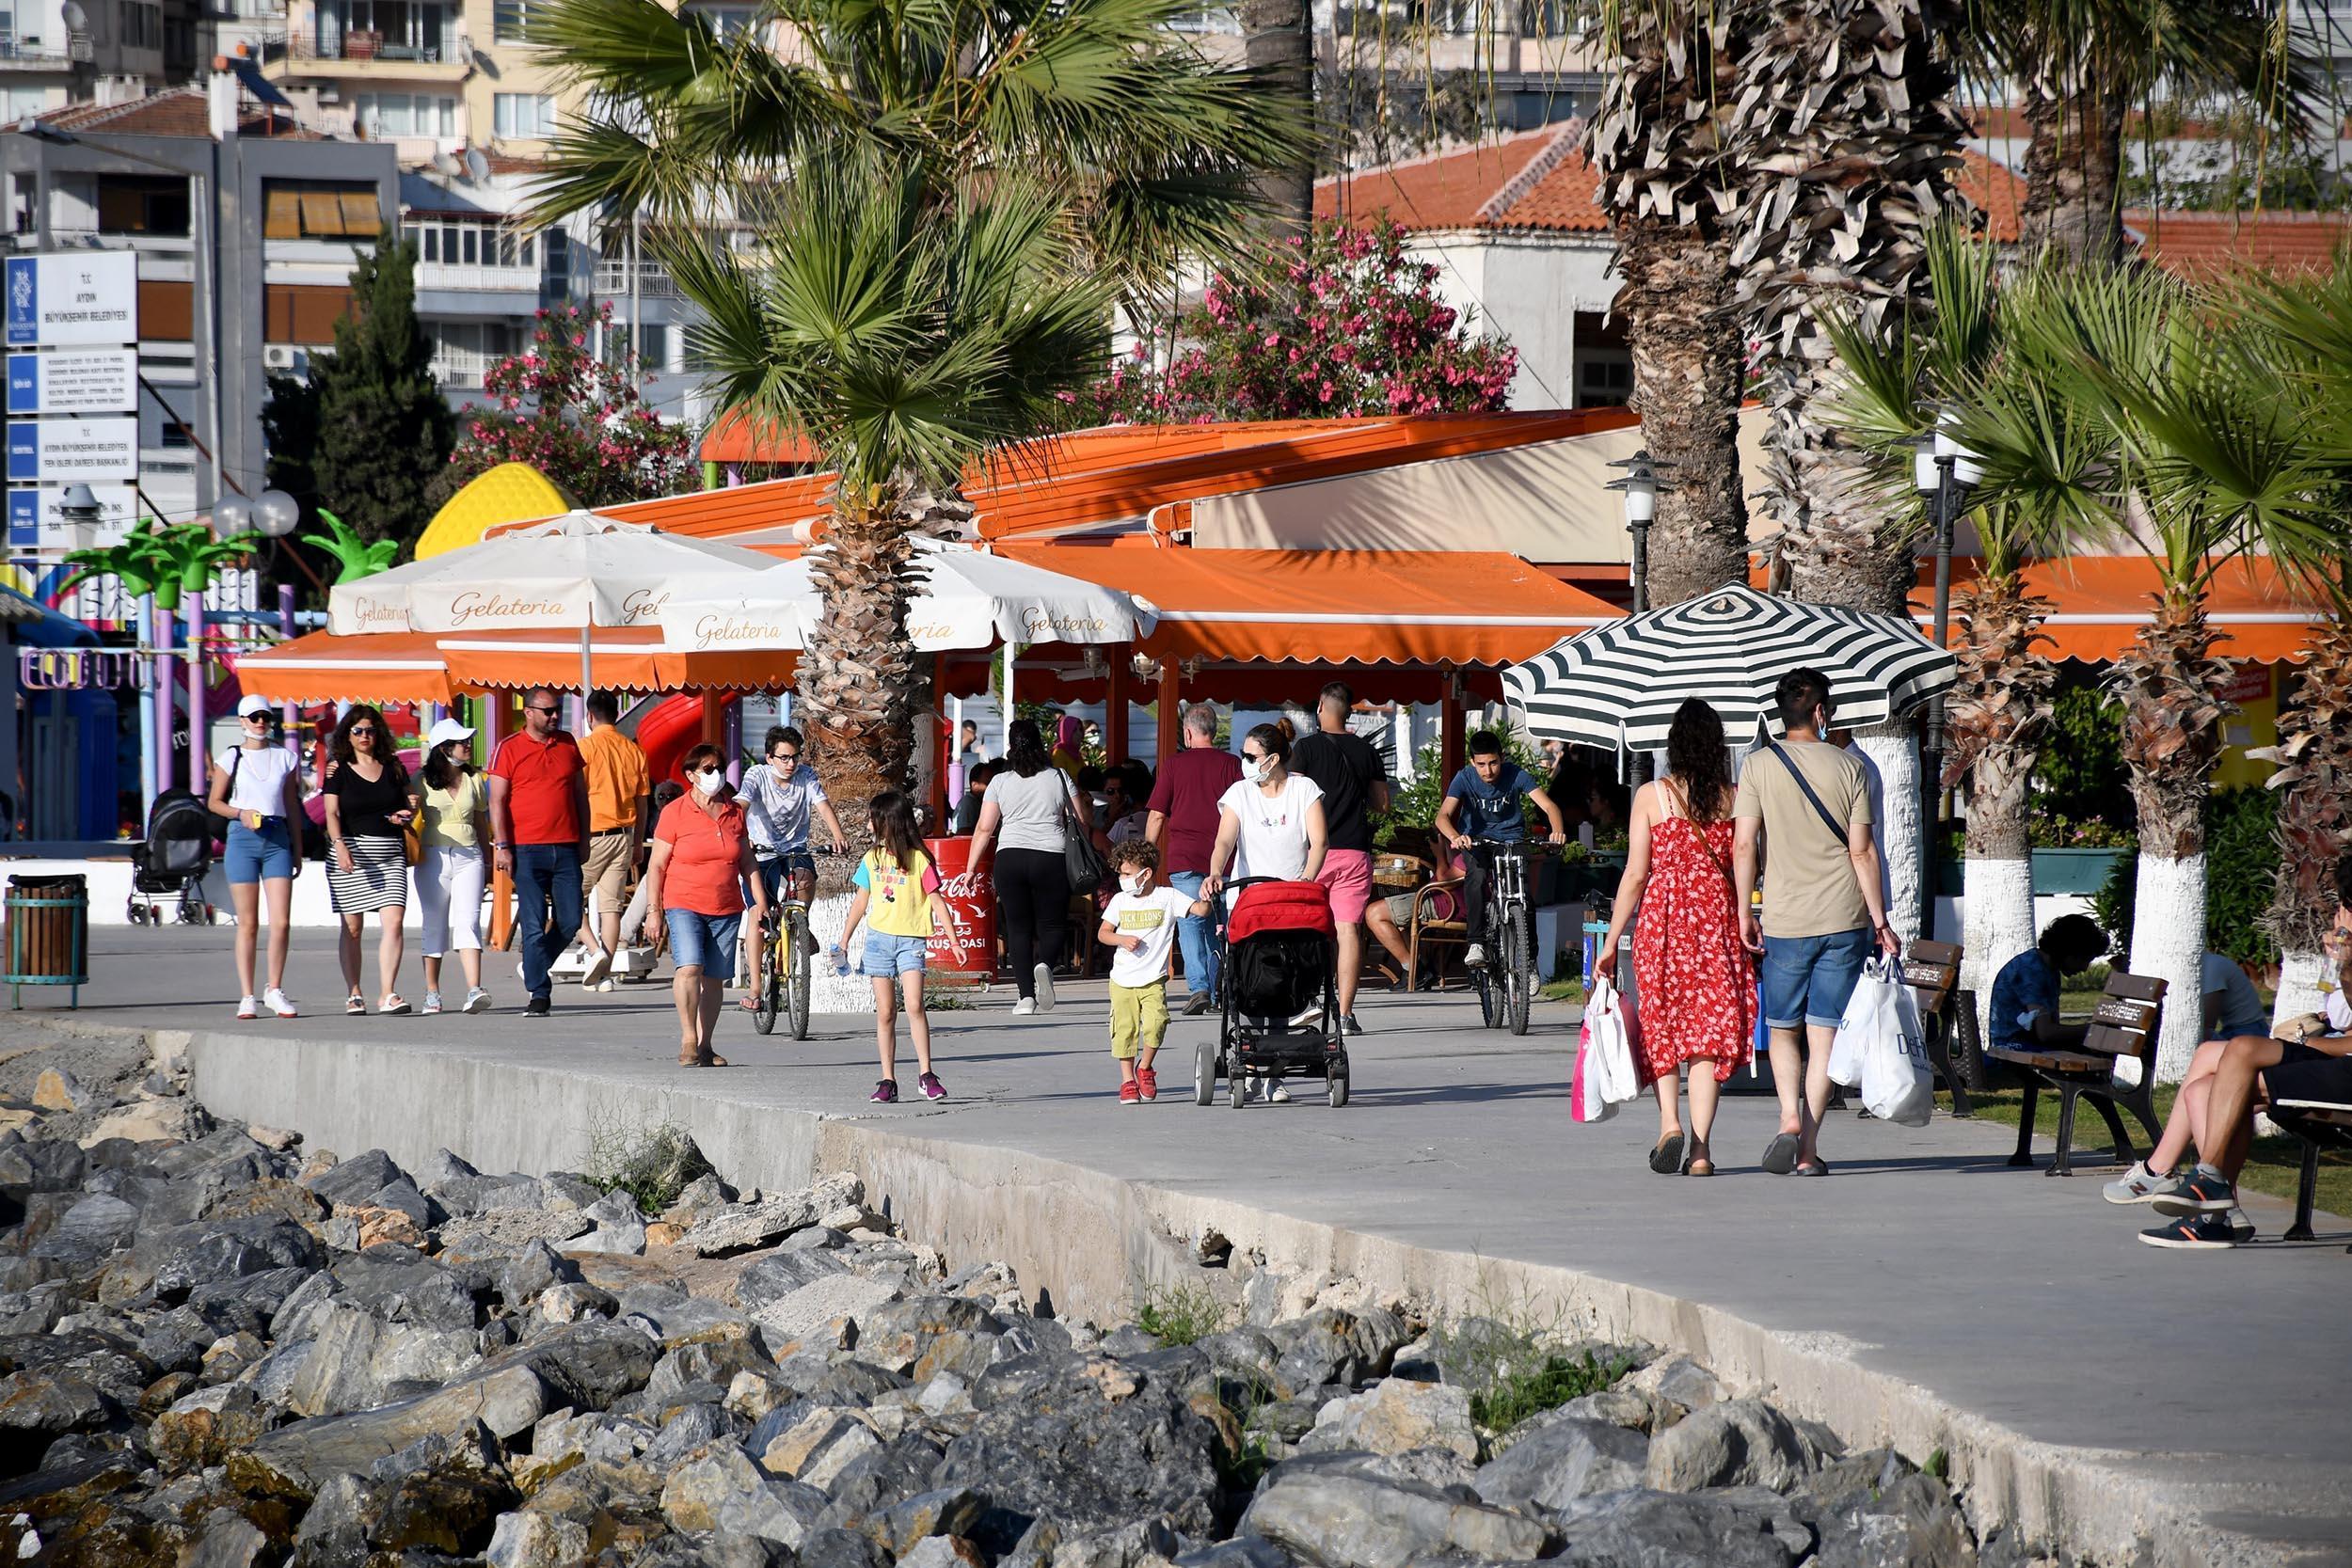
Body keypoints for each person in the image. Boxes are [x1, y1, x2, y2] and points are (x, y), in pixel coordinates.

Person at [1733, 668, 1899, 1177]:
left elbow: (1744, 845)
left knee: (1783, 1029)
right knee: (1823, 1034)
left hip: (1785, 919)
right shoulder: (1850, 768)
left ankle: (1787, 1118)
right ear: (1822, 713)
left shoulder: (1757, 765)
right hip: (1845, 919)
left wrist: (1744, 911)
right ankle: (1807, 1149)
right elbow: (1863, 851)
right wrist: (1881, 922)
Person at [2137, 856, 2352, 1249]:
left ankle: (2212, 1201)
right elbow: (2339, 1012)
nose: (2341, 915)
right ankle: (2213, 1193)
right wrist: (2338, 963)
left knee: (2219, 1078)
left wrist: (2344, 967)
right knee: (2225, 1063)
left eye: (2345, 905)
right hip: (2336, 1059)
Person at [1599, 699, 1756, 1179]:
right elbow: (1750, 856)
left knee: (1663, 1026)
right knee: (1708, 1038)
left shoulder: (1653, 795)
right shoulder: (1735, 797)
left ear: (1674, 745)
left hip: (1662, 923)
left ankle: (1669, 1123)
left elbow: (1634, 875)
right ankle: (1702, 1149)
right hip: (1717, 923)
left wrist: (1610, 941)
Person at [2106, 948, 2308, 1215]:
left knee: (2208, 1057)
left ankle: (2167, 1173)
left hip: (2248, 1037)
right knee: (2199, 1089)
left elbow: (2206, 1022)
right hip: (2255, 1044)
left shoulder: (2210, 968)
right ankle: (2221, 1204)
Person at [1205, 724, 1330, 1093]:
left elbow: (1319, 842)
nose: (1244, 763)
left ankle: (1274, 1073)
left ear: (1273, 759)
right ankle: (1252, 1060)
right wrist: (1215, 871)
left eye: (1250, 756)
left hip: (1292, 901)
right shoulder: (1240, 793)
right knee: (1252, 979)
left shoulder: (1303, 789)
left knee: (1287, 977)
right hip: (1250, 902)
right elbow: (1225, 839)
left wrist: (1306, 882)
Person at [1289, 682, 1410, 1035]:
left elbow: (1295, 798)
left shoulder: (1307, 748)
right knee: (1348, 932)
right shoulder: (1365, 751)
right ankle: (1344, 1014)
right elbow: (1382, 804)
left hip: (1316, 852)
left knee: (1308, 927)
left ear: (1322, 708)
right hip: (1355, 852)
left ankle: (1310, 999)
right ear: (1349, 711)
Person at [644, 742, 769, 1068]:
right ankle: (688, 1038)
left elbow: (746, 861)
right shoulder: (674, 813)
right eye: (708, 769)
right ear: (691, 775)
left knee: (714, 977)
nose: (715, 775)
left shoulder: (733, 812)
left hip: (726, 906)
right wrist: (653, 911)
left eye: (719, 769)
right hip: (683, 901)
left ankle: (705, 1044)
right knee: (689, 967)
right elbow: (656, 865)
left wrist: (760, 901)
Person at [968, 718, 1093, 1014]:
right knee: (1052, 924)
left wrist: (971, 867)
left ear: (1012, 746)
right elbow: (1082, 819)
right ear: (1040, 744)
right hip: (1050, 855)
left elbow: (985, 829)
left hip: (1010, 857)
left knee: (1017, 929)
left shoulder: (999, 782)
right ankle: (1045, 964)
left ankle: (1025, 998)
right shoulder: (1058, 777)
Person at [835, 791, 948, 1103]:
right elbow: (861, 901)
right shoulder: (871, 859)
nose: (869, 823)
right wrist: (845, 938)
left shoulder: (919, 859)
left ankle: (927, 1075)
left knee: (914, 1005)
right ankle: (888, 1081)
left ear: (889, 822)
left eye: (874, 817)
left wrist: (952, 940)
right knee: (885, 1012)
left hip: (910, 941)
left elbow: (937, 901)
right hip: (878, 942)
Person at [487, 686, 592, 1019]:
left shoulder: (567, 744)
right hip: (526, 849)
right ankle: (539, 992)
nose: (554, 716)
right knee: (533, 923)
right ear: (528, 712)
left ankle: (534, 964)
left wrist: (585, 838)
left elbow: (579, 795)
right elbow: (496, 801)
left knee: (571, 919)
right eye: (547, 711)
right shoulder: (508, 748)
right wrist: (502, 846)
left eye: (557, 709)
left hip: (565, 846)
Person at [1435, 730, 1567, 970]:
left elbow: (1549, 806)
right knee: (1475, 878)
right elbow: (1442, 816)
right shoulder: (1464, 778)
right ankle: (1476, 943)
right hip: (1476, 841)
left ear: (1502, 757)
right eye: (1482, 764)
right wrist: (1457, 837)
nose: (1488, 771)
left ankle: (1529, 960)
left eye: (1493, 762)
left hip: (1511, 840)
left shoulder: (1516, 774)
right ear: (1472, 762)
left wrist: (1556, 831)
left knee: (1524, 896)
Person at [206, 693, 304, 1020]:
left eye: (265, 716)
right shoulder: (230, 757)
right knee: (248, 923)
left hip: (277, 837)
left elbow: (292, 805)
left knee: (282, 921)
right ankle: (247, 994)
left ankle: (274, 988)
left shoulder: (285, 757)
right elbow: (214, 802)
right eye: (254, 717)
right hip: (243, 837)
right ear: (243, 721)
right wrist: (240, 813)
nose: (261, 722)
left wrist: (298, 848)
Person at [739, 724, 850, 1007]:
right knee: (757, 915)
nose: (791, 763)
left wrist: (838, 836)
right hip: (761, 854)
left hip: (795, 848)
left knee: (805, 882)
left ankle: (800, 924)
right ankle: (755, 987)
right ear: (769, 758)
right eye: (784, 758)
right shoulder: (757, 775)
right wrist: (741, 834)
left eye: (795, 757)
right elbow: (742, 803)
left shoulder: (806, 775)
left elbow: (823, 805)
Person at [1147, 704, 1244, 1017]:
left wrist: (1146, 854)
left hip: (1185, 856)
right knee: (1221, 925)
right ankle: (1218, 991)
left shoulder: (1174, 765)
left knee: (1190, 924)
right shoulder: (1233, 765)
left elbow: (1158, 814)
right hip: (1225, 858)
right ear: (1213, 731)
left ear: (1188, 732)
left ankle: (1199, 988)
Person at [321, 704, 417, 1017]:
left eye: (371, 730)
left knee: (394, 922)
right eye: (358, 731)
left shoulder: (394, 766)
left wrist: (408, 812)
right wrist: (339, 846)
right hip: (351, 852)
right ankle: (354, 992)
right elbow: (332, 812)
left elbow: (409, 802)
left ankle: (388, 993)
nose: (365, 736)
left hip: (390, 855)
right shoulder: (338, 768)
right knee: (353, 927)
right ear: (347, 735)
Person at [1098, 839, 1210, 1105]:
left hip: (1153, 979)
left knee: (1156, 1023)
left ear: (1145, 873)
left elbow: (1199, 910)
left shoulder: (1167, 897)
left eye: (1127, 873)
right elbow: (1104, 933)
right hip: (1122, 979)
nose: (1122, 878)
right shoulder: (1120, 900)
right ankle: (1127, 1081)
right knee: (1124, 1030)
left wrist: (1207, 895)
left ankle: (1145, 1067)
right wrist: (1121, 939)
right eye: (1120, 874)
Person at [415, 717, 493, 1016]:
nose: (468, 745)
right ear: (444, 748)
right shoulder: (419, 779)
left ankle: (475, 988)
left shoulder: (475, 778)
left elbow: (481, 821)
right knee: (434, 923)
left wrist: (487, 860)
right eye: (462, 742)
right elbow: (407, 812)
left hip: (469, 855)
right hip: (433, 856)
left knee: (469, 920)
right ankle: (432, 993)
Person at [576, 690, 650, 989]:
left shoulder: (585, 748)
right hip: (624, 835)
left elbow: (576, 794)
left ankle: (596, 952)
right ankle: (604, 974)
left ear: (590, 715)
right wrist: (637, 842)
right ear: (617, 714)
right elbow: (642, 801)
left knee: (569, 899)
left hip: (592, 835)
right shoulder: (633, 750)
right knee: (610, 907)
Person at [1987, 914, 2109, 1061]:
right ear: (2069, 951)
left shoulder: (2047, 969)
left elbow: (2050, 1028)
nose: (2084, 968)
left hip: (2025, 1043)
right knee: (2099, 1049)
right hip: (2015, 1046)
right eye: (2084, 959)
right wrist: (2093, 1029)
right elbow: (2046, 1033)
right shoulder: (2032, 971)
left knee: (2100, 1048)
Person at [953, 760, 994, 837]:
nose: (992, 787)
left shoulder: (979, 802)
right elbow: (963, 833)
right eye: (988, 783)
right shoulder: (968, 803)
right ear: (975, 785)